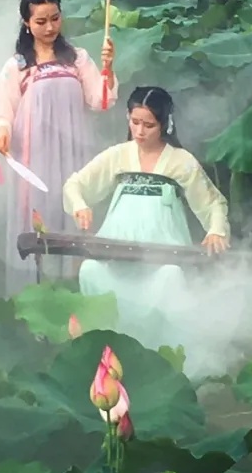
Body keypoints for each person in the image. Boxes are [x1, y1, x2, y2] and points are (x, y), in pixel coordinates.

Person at [62, 86, 230, 357]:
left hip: (161, 257)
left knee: (169, 278)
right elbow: (76, 184)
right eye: (135, 122)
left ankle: (162, 358)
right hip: (115, 255)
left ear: (165, 124)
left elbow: (213, 202)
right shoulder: (118, 155)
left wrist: (216, 230)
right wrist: (80, 205)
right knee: (90, 270)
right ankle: (105, 355)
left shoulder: (181, 161)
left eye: (149, 125)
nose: (140, 131)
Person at [0, 0, 117, 295]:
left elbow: (100, 101)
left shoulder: (77, 59)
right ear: (26, 23)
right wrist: (2, 132)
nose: (50, 27)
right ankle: (37, 293)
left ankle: (75, 289)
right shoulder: (17, 66)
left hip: (74, 151)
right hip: (35, 155)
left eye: (55, 18)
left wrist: (108, 68)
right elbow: (4, 110)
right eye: (41, 21)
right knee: (39, 216)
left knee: (74, 210)